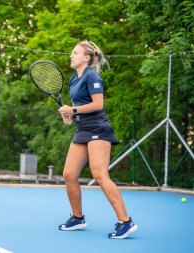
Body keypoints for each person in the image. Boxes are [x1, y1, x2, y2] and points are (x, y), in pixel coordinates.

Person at [58, 40, 138, 239]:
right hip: (82, 130)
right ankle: (77, 218)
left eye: (75, 53)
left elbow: (98, 104)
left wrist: (73, 109)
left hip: (98, 130)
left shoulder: (92, 75)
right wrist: (70, 115)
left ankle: (125, 222)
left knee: (100, 174)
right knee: (69, 174)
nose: (71, 56)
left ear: (86, 58)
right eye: (71, 53)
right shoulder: (72, 80)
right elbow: (79, 108)